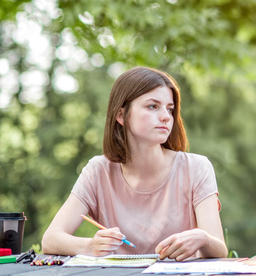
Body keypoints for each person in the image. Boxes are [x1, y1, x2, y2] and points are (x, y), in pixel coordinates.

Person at [41, 66, 227, 260]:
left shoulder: (196, 168)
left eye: (170, 109)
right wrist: (90, 245)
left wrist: (203, 239)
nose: (166, 116)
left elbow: (220, 250)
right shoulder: (98, 170)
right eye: (153, 106)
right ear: (121, 115)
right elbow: (50, 240)